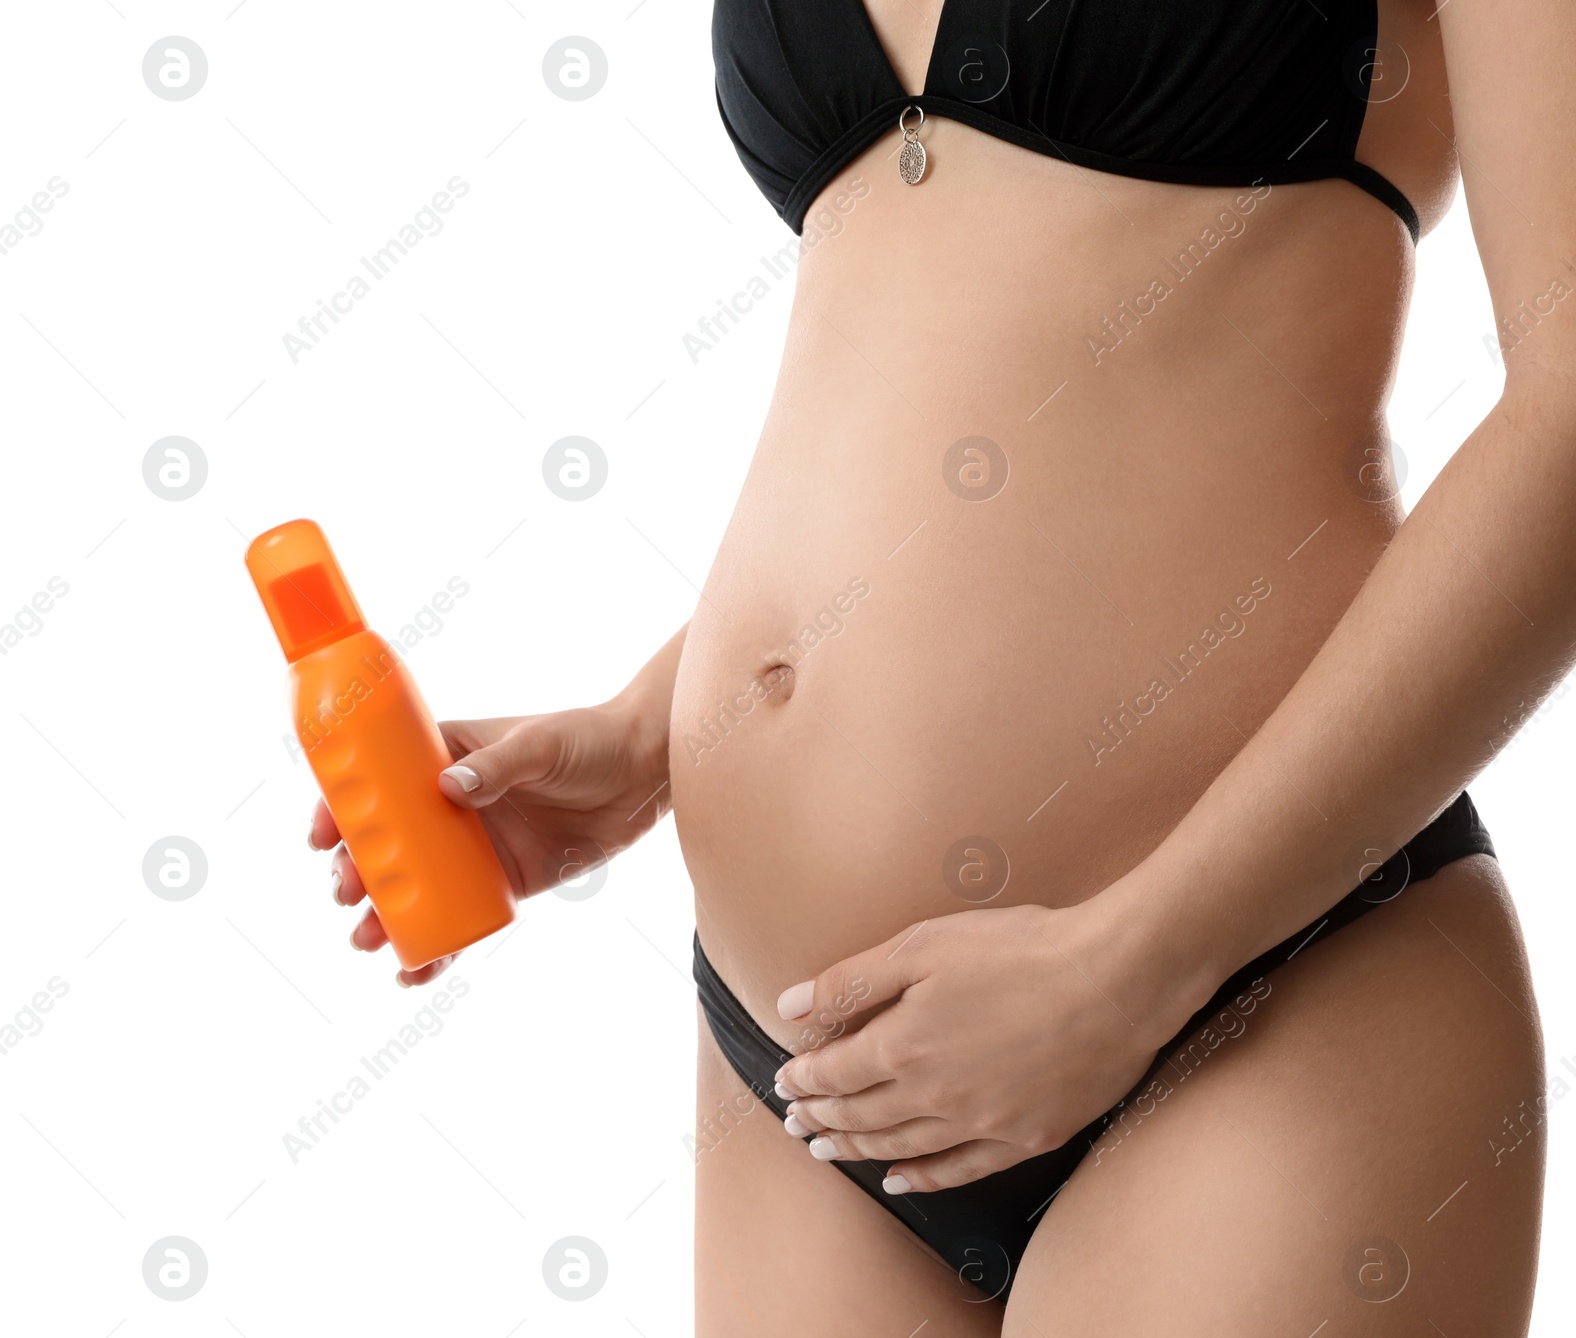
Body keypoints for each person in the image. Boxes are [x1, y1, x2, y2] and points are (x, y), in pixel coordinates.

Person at [312, 0, 1573, 1329]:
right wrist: (659, 727)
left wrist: (1139, 958)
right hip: (803, 1071)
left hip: (1261, 987)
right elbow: (970, 387)